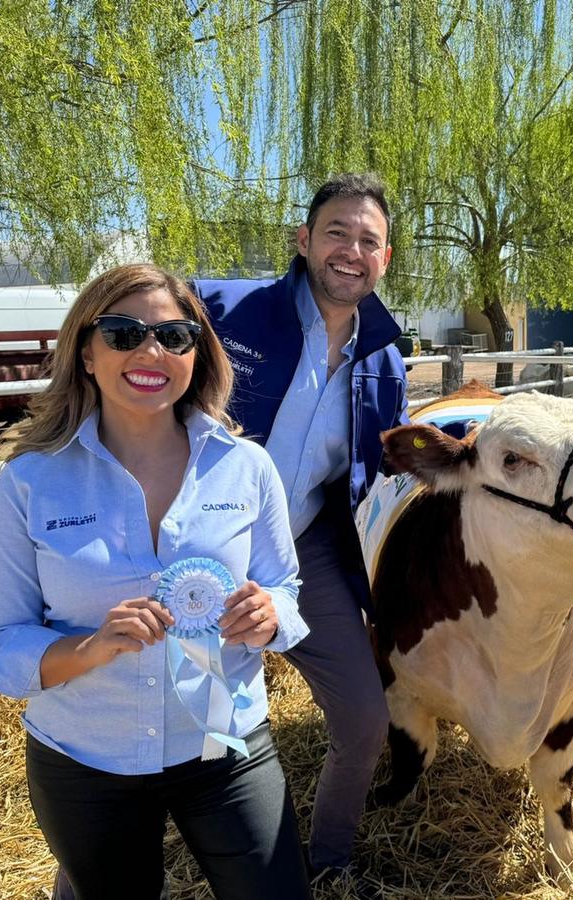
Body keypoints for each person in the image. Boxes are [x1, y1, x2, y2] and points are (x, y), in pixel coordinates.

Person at [0, 264, 312, 900]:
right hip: (86, 759)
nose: (151, 351)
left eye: (174, 336)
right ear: (86, 352)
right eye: (124, 333)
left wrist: (270, 616)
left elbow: (286, 589)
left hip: (224, 743)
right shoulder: (28, 486)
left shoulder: (247, 468)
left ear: (196, 353)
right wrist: (90, 648)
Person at [192, 172, 408, 882]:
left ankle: (330, 865)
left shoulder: (384, 359)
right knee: (151, 723)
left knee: (364, 720)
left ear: (386, 257)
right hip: (190, 547)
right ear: (304, 240)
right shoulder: (222, 309)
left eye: (369, 240)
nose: (352, 250)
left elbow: (383, 464)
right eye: (337, 232)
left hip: (301, 546)